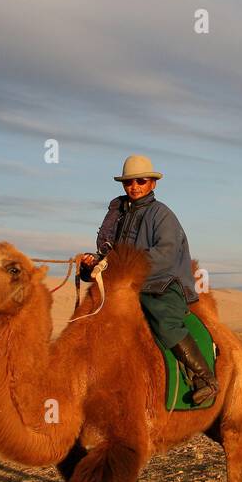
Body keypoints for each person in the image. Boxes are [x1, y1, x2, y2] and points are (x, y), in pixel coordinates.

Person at [80, 154, 218, 406]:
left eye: (140, 181)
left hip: (163, 283)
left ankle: (205, 378)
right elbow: (111, 254)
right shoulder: (119, 216)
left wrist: (124, 265)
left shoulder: (162, 215)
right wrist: (93, 263)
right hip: (127, 285)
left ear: (152, 184)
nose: (134, 187)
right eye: (128, 182)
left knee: (164, 320)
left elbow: (165, 253)